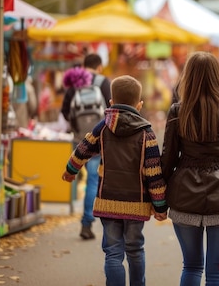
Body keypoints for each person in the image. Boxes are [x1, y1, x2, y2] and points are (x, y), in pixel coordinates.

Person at [61, 75, 168, 286]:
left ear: (111, 102)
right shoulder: (147, 132)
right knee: (135, 250)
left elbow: (83, 149)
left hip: (107, 200)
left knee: (112, 253)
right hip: (137, 204)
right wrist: (160, 206)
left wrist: (70, 170)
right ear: (139, 104)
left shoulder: (103, 127)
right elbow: (154, 173)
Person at [161, 52, 219, 286]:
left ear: (187, 78)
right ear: (218, 78)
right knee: (217, 272)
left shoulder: (178, 112)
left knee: (191, 266)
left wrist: (158, 198)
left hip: (184, 194)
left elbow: (167, 159)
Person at [60, 54, 111, 240]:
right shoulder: (104, 82)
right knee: (92, 180)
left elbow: (65, 112)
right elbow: (111, 110)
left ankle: (75, 176)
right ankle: (86, 223)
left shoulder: (75, 83)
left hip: (78, 138)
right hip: (97, 140)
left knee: (74, 169)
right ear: (99, 67)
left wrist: (77, 126)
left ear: (83, 66)